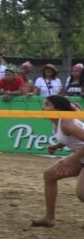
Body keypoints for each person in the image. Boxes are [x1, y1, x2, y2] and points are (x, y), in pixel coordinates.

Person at [31, 95, 84, 228]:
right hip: (81, 156)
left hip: (78, 157)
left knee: (82, 194)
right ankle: (49, 218)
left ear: (58, 109)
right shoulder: (57, 122)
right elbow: (71, 139)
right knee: (49, 175)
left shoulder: (67, 123)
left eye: (47, 104)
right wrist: (57, 146)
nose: (43, 107)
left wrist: (72, 159)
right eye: (43, 104)